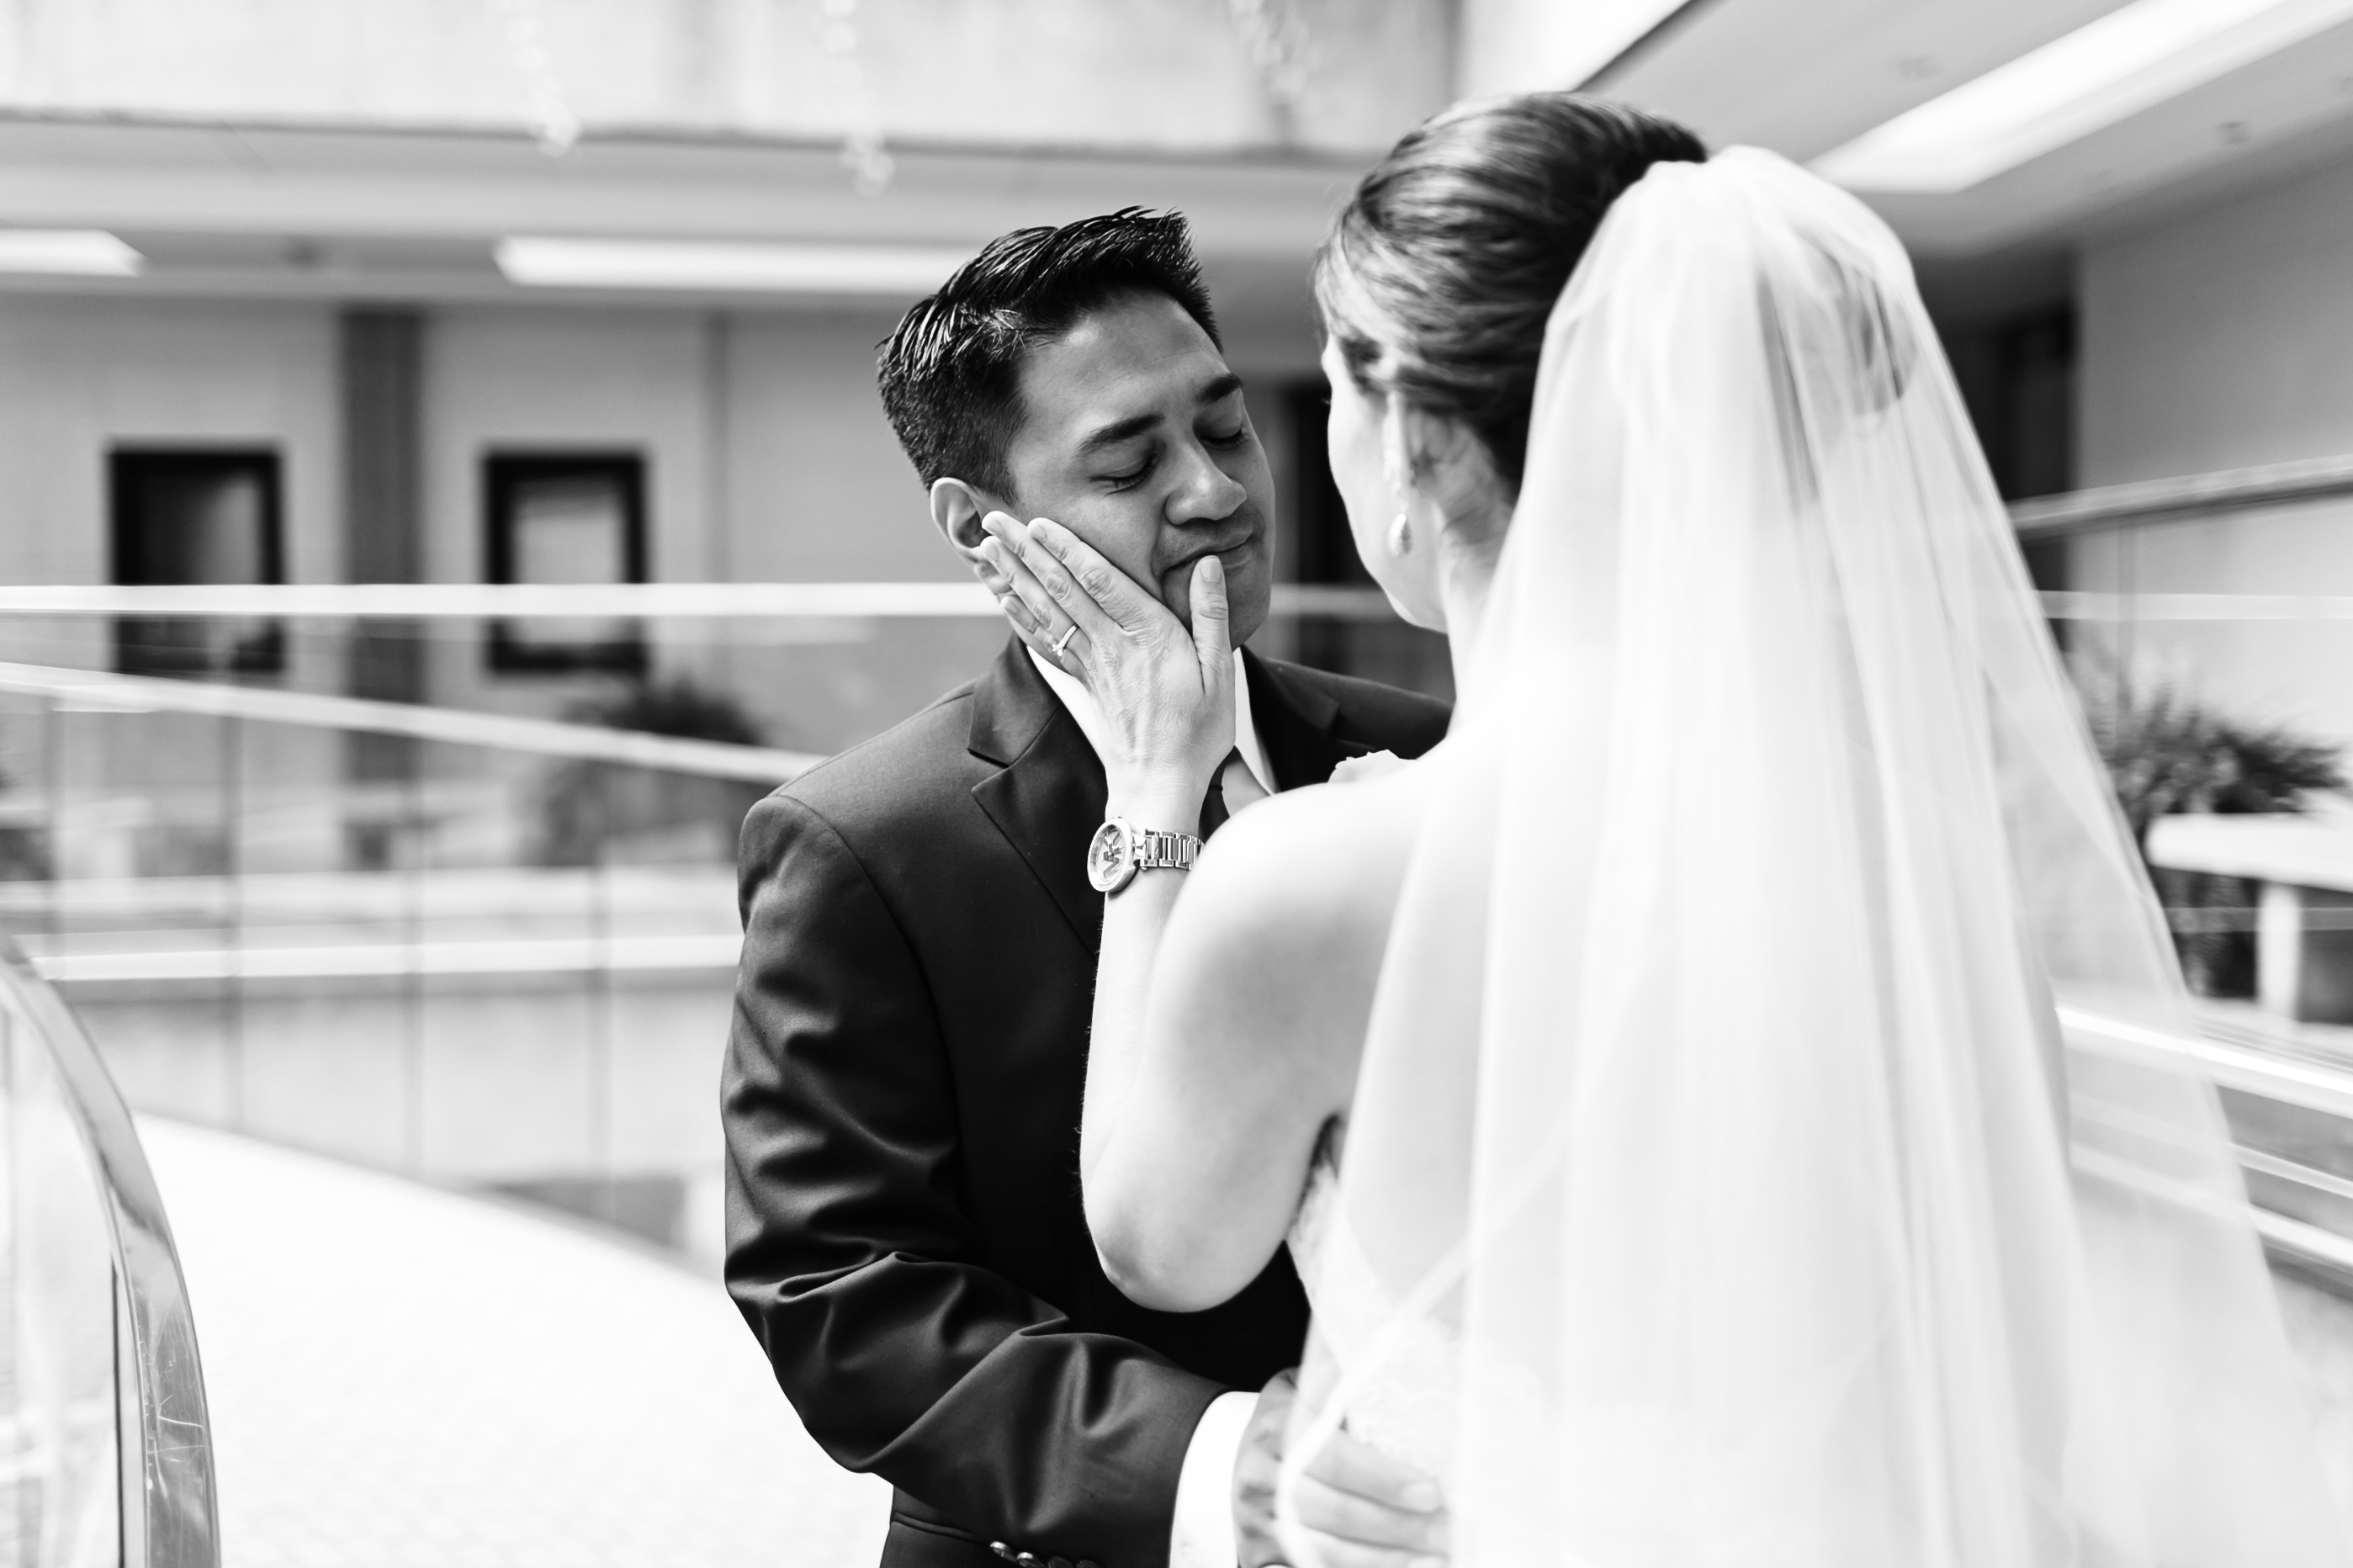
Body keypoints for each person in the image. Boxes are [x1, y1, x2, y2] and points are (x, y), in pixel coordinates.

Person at [976, 95, 2352, 1565]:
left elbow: (1155, 1248)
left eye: (1320, 398)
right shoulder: (1921, 854)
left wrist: (1148, 799)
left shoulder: (1320, 874)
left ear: (1417, 436)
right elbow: (2000, 1374)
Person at [722, 209, 1452, 1568]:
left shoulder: (1419, 752)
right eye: (1129, 460)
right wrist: (1209, 1466)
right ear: (980, 527)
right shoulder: (858, 843)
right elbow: (839, 1292)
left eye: (1225, 429)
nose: (1215, 491)